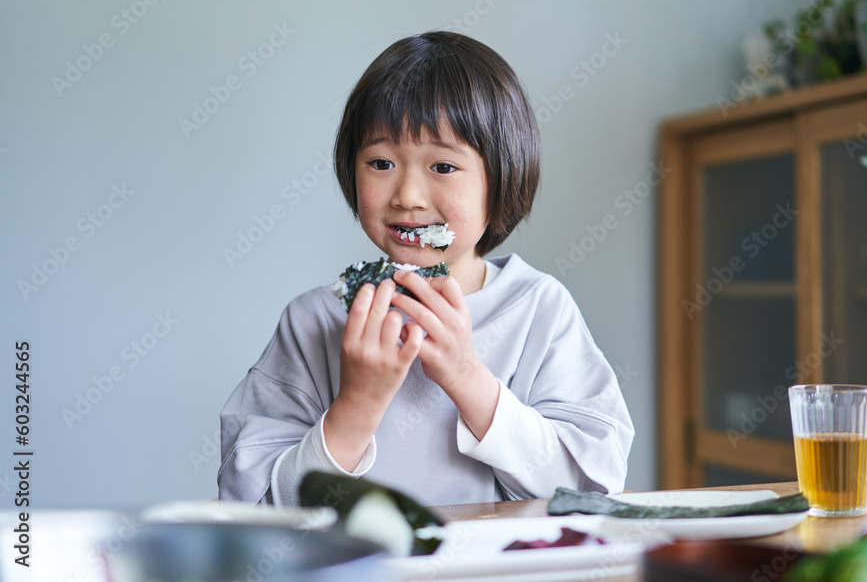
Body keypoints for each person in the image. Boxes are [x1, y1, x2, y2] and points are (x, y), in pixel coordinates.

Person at [218, 31, 633, 507]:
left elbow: (587, 488)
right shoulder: (313, 322)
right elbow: (251, 502)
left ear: (502, 180)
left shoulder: (539, 310)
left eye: (443, 167)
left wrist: (466, 375)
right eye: (381, 162)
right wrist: (357, 405)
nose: (408, 196)